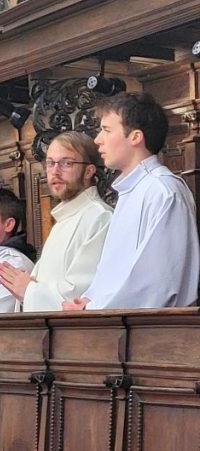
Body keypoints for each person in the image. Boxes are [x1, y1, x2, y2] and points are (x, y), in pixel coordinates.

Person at [63, 92, 200, 310]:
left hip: (154, 326)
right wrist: (90, 299)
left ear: (135, 137)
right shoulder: (132, 190)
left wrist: (93, 309)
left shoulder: (162, 190)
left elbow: (158, 282)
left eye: (107, 130)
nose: (97, 139)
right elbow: (116, 273)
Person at [0, 132, 112, 311]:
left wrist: (28, 291)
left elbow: (83, 294)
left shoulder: (100, 217)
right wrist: (26, 288)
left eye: (67, 163)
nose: (55, 171)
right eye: (50, 163)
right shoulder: (63, 219)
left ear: (89, 171)